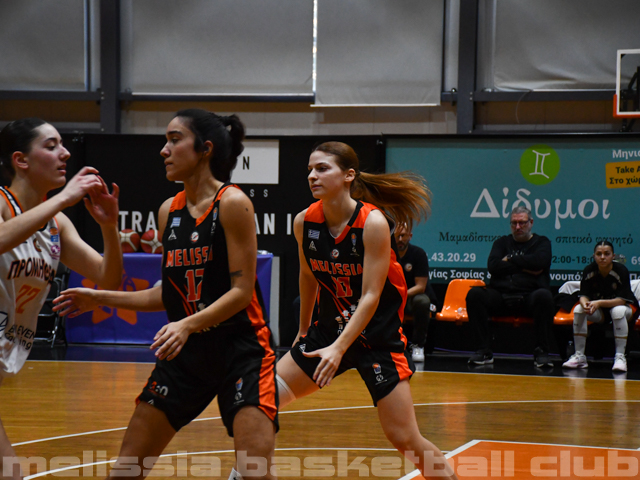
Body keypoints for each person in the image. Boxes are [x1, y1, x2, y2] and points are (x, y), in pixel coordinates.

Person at [54, 109, 278, 480]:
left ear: (205, 149)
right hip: (187, 356)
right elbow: (167, 295)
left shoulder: (232, 203)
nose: (164, 150)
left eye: (175, 139)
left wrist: (186, 324)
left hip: (241, 350)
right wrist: (98, 298)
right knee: (126, 471)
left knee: (255, 471)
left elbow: (241, 293)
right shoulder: (168, 211)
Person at [276, 142, 458, 480]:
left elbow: (371, 295)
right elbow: (307, 275)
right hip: (328, 333)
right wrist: (302, 331)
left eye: (322, 169)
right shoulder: (304, 221)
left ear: (348, 175)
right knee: (261, 403)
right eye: (310, 170)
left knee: (405, 439)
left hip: (377, 338)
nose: (312, 176)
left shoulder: (372, 222)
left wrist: (339, 348)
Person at [0, 118, 123, 480]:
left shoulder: (57, 224)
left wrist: (109, 227)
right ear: (21, 160)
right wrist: (65, 198)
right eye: (51, 146)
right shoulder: (3, 203)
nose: (65, 153)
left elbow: (108, 279)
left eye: (63, 145)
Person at [466, 206, 555, 367]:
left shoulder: (542, 242)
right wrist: (526, 267)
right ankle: (483, 351)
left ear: (531, 222)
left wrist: (510, 259)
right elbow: (493, 266)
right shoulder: (501, 243)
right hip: (500, 296)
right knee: (475, 294)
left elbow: (539, 262)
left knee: (544, 296)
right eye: (514, 223)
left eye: (522, 223)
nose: (518, 227)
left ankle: (542, 352)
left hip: (529, 296)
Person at [562, 241, 638, 372]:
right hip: (600, 311)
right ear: (594, 256)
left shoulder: (621, 270)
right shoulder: (589, 270)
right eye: (599, 254)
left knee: (618, 311)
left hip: (626, 308)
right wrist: (585, 304)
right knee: (579, 310)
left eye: (606, 254)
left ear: (613, 256)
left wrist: (598, 303)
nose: (602, 257)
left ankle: (620, 357)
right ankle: (579, 356)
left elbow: (621, 300)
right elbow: (583, 295)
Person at [394, 223, 435, 363]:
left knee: (422, 301)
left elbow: (420, 287)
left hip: (411, 297)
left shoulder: (418, 254)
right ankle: (388, 345)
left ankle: (418, 345)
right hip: (393, 297)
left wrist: (400, 294)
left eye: (403, 236)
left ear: (410, 236)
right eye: (397, 236)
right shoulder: (387, 253)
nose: (400, 239)